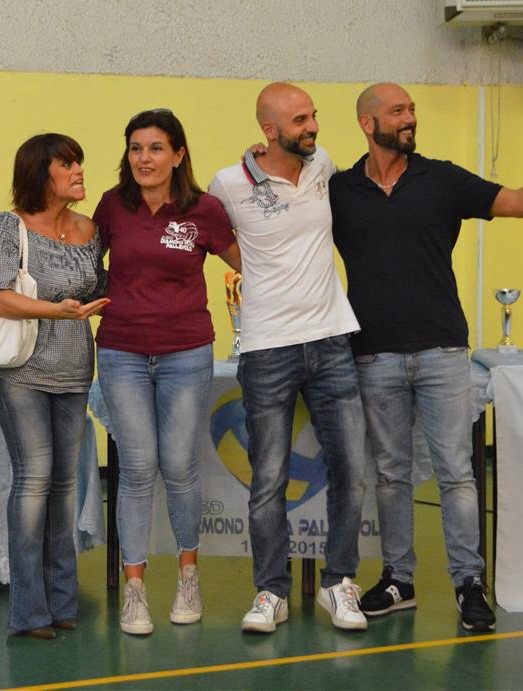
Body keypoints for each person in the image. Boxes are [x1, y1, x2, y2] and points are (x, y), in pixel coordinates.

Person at [329, 82, 523, 633]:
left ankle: (468, 582)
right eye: (398, 111)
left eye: (412, 110)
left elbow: (518, 203)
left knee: (457, 474)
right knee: (391, 475)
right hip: (373, 355)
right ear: (367, 122)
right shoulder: (339, 189)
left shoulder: (442, 179)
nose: (410, 118)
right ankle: (399, 581)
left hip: (443, 352)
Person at [208, 82, 370, 634]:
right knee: (269, 479)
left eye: (313, 116)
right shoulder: (229, 183)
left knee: (351, 470)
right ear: (269, 130)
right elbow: (213, 237)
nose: (313, 126)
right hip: (266, 348)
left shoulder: (323, 164)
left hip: (332, 341)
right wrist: (255, 268)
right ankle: (271, 591)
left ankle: (338, 582)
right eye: (300, 120)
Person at [92, 109, 241, 635]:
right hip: (121, 352)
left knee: (179, 466)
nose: (144, 158)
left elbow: (248, 264)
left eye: (155, 148)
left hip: (185, 352)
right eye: (136, 148)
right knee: (136, 469)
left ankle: (188, 577)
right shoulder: (113, 205)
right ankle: (134, 590)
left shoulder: (204, 210)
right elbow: (85, 264)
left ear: (178, 155)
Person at [0, 133, 109, 639]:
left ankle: (63, 602)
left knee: (65, 485)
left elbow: (99, 287)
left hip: (74, 370)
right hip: (21, 372)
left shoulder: (90, 229)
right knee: (34, 481)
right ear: (39, 174)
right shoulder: (11, 226)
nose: (78, 171)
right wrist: (55, 310)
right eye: (67, 164)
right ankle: (29, 611)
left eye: (79, 162)